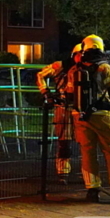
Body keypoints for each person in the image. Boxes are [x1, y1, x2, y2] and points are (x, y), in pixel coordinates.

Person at [69, 34, 110, 204]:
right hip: (103, 116)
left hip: (80, 117)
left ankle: (92, 190)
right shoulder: (105, 68)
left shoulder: (75, 69)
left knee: (87, 153)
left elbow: (69, 94)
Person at [36, 43, 82, 182]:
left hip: (81, 108)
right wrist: (46, 93)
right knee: (64, 141)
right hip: (63, 108)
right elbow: (40, 75)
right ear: (74, 55)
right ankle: (63, 171)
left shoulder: (90, 69)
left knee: (87, 142)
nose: (82, 58)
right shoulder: (60, 66)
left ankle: (87, 172)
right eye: (80, 55)